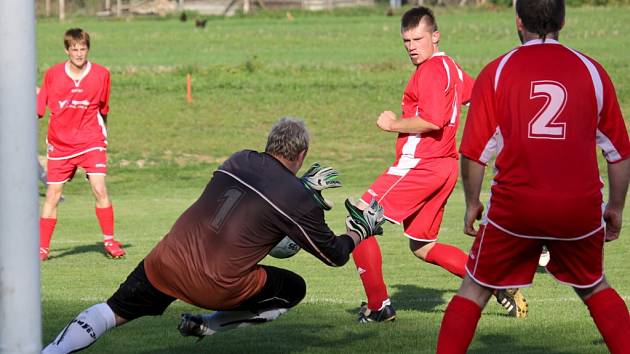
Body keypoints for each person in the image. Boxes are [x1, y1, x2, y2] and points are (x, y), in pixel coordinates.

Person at [42, 117, 386, 354]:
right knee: (293, 290)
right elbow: (335, 255)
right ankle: (207, 326)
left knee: (110, 311)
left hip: (166, 260)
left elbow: (252, 199)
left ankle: (50, 351)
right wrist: (359, 231)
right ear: (302, 155)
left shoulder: (239, 159)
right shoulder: (294, 198)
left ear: (268, 144)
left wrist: (297, 193)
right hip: (216, 285)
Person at [436, 0, 630, 352]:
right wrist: (616, 208)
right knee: (594, 286)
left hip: (515, 209)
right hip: (578, 209)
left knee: (474, 289)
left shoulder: (497, 71)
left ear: (518, 21)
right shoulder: (592, 71)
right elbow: (619, 153)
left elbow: (474, 153)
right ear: (563, 21)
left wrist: (471, 203)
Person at [349, 6, 526, 323]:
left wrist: (392, 124)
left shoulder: (430, 70)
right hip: (444, 167)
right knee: (422, 245)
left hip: (421, 164)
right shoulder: (451, 68)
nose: (412, 46)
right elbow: (481, 96)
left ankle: (378, 307)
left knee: (358, 220)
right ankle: (492, 280)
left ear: (435, 35)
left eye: (418, 38)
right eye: (406, 40)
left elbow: (432, 120)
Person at [37, 28, 123, 261]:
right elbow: (38, 109)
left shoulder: (102, 74)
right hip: (60, 144)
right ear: (67, 50)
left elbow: (103, 108)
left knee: (99, 188)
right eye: (74, 49)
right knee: (53, 195)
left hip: (90, 140)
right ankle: (42, 249)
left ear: (88, 49)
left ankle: (110, 241)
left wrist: (102, 137)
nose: (78, 53)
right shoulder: (53, 75)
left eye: (82, 48)